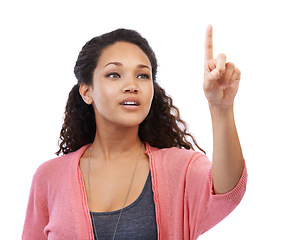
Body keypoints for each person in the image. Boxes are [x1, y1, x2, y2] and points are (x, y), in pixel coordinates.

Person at [22, 25, 247, 240]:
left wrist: (221, 108)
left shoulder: (179, 169)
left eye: (142, 76)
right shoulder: (49, 178)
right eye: (114, 74)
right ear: (86, 91)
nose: (132, 85)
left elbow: (226, 190)